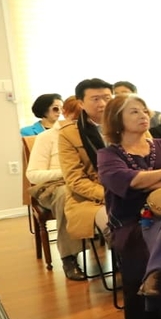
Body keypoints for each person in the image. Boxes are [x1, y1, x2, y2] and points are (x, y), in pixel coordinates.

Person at [97, 94, 161, 319]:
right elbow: (126, 180)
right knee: (139, 246)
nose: (143, 115)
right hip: (129, 220)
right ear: (116, 120)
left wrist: (145, 180)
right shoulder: (108, 154)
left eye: (144, 110)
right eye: (134, 111)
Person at [27, 95, 86, 281]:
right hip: (54, 186)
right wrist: (65, 172)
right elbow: (33, 174)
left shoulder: (90, 134)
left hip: (84, 181)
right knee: (67, 195)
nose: (79, 123)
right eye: (75, 118)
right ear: (65, 114)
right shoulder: (47, 137)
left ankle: (120, 253)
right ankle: (69, 258)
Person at [58, 78, 115, 246]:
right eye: (95, 99)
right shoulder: (69, 134)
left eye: (107, 98)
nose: (103, 103)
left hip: (131, 188)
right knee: (114, 223)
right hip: (90, 199)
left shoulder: (129, 124)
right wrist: (109, 195)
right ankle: (132, 268)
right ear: (81, 103)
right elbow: (75, 180)